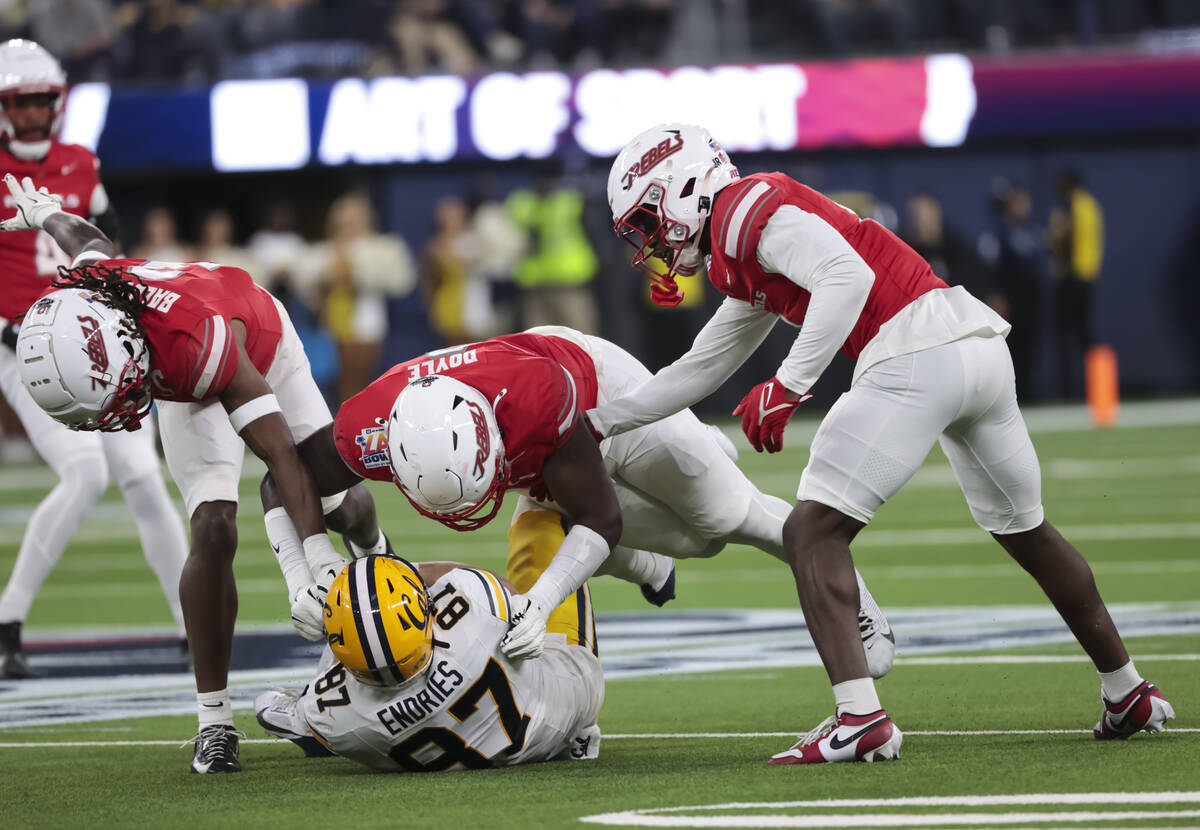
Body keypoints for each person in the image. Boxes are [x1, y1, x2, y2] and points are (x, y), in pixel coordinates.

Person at [590, 123, 1174, 764]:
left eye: (649, 220)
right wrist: (598, 423)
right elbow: (698, 368)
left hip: (913, 350)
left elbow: (847, 276)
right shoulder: (746, 243)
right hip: (971, 344)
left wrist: (788, 386)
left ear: (684, 190)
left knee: (809, 532)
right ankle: (1128, 691)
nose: (649, 242)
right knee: (1026, 529)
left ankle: (860, 718)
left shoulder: (740, 212)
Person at [1, 174, 389, 774]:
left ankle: (380, 560)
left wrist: (314, 567)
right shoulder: (90, 288)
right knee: (211, 528)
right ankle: (213, 720)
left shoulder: (193, 340)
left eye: (106, 396)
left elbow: (278, 457)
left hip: (255, 342)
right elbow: (87, 239)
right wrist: (47, 211)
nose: (109, 412)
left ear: (123, 348)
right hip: (179, 375)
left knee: (343, 503)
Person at [258, 326, 895, 676]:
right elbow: (277, 477)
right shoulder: (360, 432)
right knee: (669, 543)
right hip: (536, 448)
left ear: (489, 443)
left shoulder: (535, 400)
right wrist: (307, 571)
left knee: (728, 520)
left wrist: (538, 604)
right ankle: (652, 561)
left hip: (596, 397)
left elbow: (602, 518)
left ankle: (860, 606)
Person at [0, 38, 188, 679]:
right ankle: (8, 622)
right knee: (85, 475)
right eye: (21, 103)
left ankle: (194, 621)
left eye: (42, 102)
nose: (33, 114)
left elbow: (106, 246)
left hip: (90, 341)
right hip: (22, 348)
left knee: (143, 478)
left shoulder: (82, 162)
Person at [255, 539, 604, 772]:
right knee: (545, 519)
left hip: (453, 750)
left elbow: (267, 707)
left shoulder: (331, 716)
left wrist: (338, 614)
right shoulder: (468, 608)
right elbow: (504, 592)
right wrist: (396, 572)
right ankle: (653, 570)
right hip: (570, 704)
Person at [1048, 169, 1104, 399]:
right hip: (1088, 278)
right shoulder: (1091, 206)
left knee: (1065, 336)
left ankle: (1069, 392)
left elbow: (1060, 240)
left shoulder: (1069, 207)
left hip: (1072, 279)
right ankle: (1096, 389)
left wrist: (1054, 234)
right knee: (1085, 336)